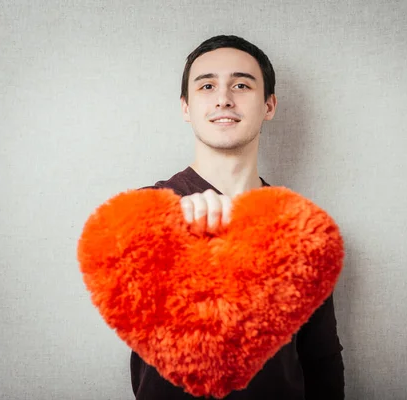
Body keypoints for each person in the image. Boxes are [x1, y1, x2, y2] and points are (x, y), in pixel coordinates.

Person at [130, 34, 344, 399]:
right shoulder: (146, 212)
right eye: (207, 85)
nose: (223, 97)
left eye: (241, 84)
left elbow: (320, 359)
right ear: (186, 107)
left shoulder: (304, 227)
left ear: (269, 105)